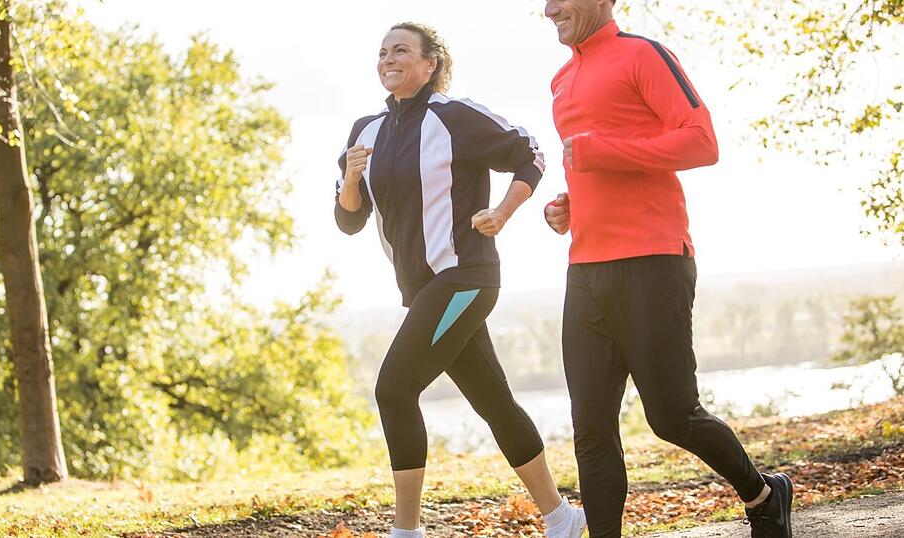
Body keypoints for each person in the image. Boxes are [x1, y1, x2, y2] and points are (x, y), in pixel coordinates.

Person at [540, 1, 794, 537]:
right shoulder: (562, 77)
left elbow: (702, 142)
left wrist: (602, 152)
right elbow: (593, 166)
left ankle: (765, 495)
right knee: (590, 427)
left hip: (653, 260)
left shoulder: (642, 55)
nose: (548, 9)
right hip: (585, 266)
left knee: (673, 416)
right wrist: (567, 207)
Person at [333, 21, 587, 538]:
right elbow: (348, 219)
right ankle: (561, 517)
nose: (388, 58)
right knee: (494, 402)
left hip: (465, 277)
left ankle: (407, 531)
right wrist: (352, 179)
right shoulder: (365, 131)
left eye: (401, 50)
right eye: (382, 52)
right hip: (424, 291)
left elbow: (529, 153)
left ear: (430, 64)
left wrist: (502, 212)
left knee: (394, 390)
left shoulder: (456, 117)